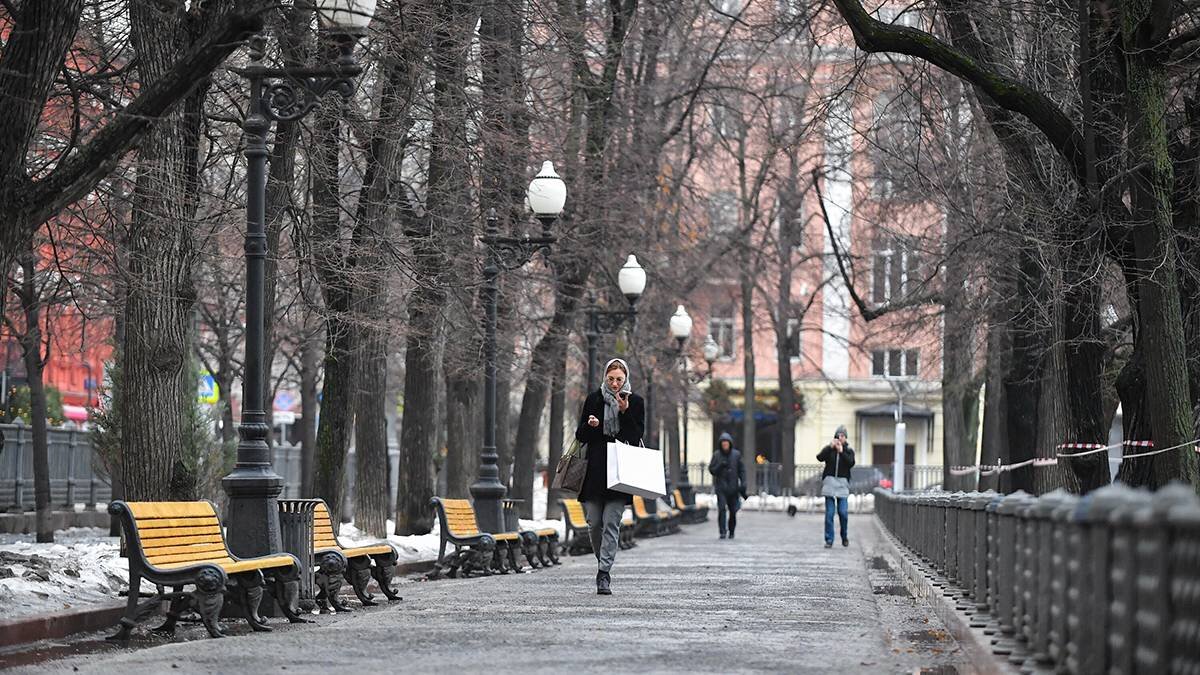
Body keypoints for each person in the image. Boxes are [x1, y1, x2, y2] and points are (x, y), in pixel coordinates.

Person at [575, 358, 644, 595]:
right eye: (611, 379)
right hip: (595, 471)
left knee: (611, 523)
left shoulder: (634, 402)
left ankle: (604, 573)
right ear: (605, 377)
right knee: (594, 523)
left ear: (626, 380)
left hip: (620, 472)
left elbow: (635, 437)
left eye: (619, 380)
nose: (615, 384)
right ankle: (602, 561)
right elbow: (580, 435)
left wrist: (624, 412)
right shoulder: (593, 399)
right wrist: (591, 425)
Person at [817, 425, 855, 548]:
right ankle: (829, 539)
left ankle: (844, 536)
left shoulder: (849, 451)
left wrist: (841, 452)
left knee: (843, 513)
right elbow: (819, 457)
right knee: (829, 514)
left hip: (842, 485)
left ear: (846, 438)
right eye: (839, 435)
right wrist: (829, 447)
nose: (840, 438)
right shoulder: (830, 450)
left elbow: (851, 463)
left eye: (843, 436)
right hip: (829, 484)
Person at [708, 432, 747, 539]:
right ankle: (722, 531)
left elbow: (742, 470)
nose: (725, 445)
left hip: (733, 488)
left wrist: (743, 483)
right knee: (721, 509)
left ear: (730, 444)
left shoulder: (736, 455)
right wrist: (720, 466)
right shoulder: (716, 455)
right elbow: (712, 470)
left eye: (726, 443)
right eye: (723, 444)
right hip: (721, 487)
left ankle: (732, 530)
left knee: (733, 511)